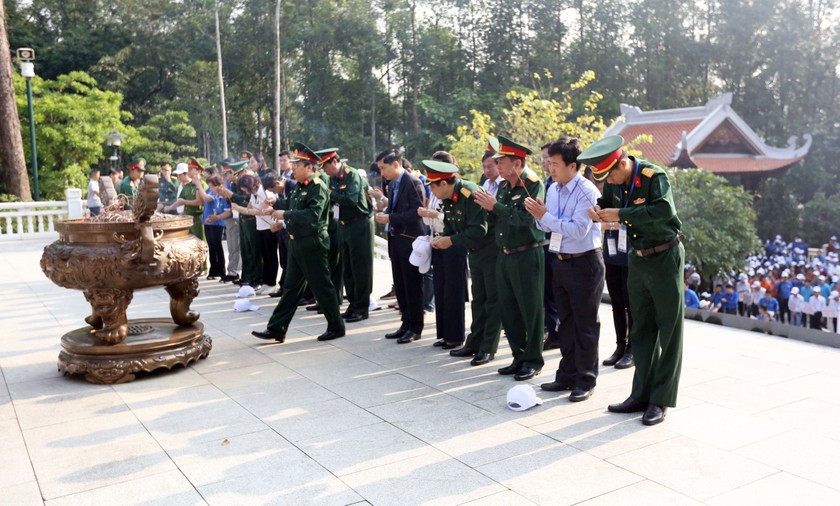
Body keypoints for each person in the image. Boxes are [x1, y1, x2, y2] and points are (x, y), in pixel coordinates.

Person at [586, 134, 684, 426]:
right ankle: (640, 393)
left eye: (612, 174)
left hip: (664, 257)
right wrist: (598, 212)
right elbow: (606, 202)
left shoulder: (653, 176)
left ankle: (661, 398)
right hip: (636, 259)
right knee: (640, 328)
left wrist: (622, 213)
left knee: (669, 329)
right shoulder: (614, 183)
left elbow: (665, 210)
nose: (610, 181)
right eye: (605, 178)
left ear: (623, 161)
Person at [525, 136, 603, 401]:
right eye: (548, 163)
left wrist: (545, 217)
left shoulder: (587, 191)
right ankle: (566, 374)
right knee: (565, 323)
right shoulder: (554, 188)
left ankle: (586, 379)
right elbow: (548, 226)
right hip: (560, 260)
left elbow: (579, 230)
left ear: (573, 166)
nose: (550, 168)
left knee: (586, 323)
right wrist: (540, 217)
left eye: (555, 163)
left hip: (584, 262)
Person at [250, 143, 345, 342]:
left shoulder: (318, 187)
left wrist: (285, 213)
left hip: (312, 244)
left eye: (297, 165)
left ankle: (336, 326)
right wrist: (276, 205)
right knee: (291, 289)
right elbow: (294, 205)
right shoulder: (301, 186)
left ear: (309, 168)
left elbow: (312, 215)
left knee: (322, 286)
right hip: (297, 243)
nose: (293, 169)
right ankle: (277, 328)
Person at [473, 135, 546, 382]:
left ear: (516, 163)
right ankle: (519, 356)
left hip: (527, 253)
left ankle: (533, 359)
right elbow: (499, 219)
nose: (498, 167)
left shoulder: (532, 184)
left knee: (531, 310)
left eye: (501, 161)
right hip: (504, 254)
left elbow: (524, 219)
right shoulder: (504, 187)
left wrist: (496, 207)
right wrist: (488, 209)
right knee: (508, 308)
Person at [420, 155, 472, 351]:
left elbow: (455, 219)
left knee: (453, 291)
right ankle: (444, 333)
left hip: (454, 242)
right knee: (441, 289)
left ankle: (455, 335)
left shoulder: (457, 191)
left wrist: (436, 216)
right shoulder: (436, 191)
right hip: (438, 239)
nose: (431, 188)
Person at [375, 149, 426, 344]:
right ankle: (405, 323)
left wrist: (390, 217)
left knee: (412, 287)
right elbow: (396, 207)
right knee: (401, 286)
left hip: (410, 240)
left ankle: (415, 327)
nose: (382, 173)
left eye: (384, 168)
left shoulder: (413, 182)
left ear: (396, 165)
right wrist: (386, 212)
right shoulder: (393, 184)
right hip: (396, 240)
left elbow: (417, 212)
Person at [317, 148, 374, 322]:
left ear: (334, 162)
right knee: (347, 268)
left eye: (325, 166)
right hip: (344, 224)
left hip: (359, 223)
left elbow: (351, 200)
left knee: (360, 268)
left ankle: (362, 307)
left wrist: (330, 194)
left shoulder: (351, 175)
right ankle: (353, 304)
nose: (324, 171)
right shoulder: (334, 178)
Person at [538, 143, 562, 352]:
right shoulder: (550, 184)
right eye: (545, 159)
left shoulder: (581, 187)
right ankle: (553, 331)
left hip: (565, 245)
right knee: (550, 292)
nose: (546, 163)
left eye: (550, 159)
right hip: (550, 241)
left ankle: (557, 332)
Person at [167, 159, 211, 241]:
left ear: (198, 171)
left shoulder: (201, 184)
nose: (188, 171)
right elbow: (180, 200)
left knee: (200, 244)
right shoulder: (187, 186)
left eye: (191, 169)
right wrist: (170, 208)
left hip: (198, 219)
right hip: (188, 218)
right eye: (188, 169)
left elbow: (199, 202)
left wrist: (184, 202)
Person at [203, 172, 231, 280]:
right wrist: (213, 216)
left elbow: (227, 211)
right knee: (212, 246)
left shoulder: (223, 195)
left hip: (219, 224)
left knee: (217, 246)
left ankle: (221, 270)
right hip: (212, 221)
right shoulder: (217, 195)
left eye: (211, 186)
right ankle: (214, 270)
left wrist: (215, 217)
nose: (210, 189)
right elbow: (216, 210)